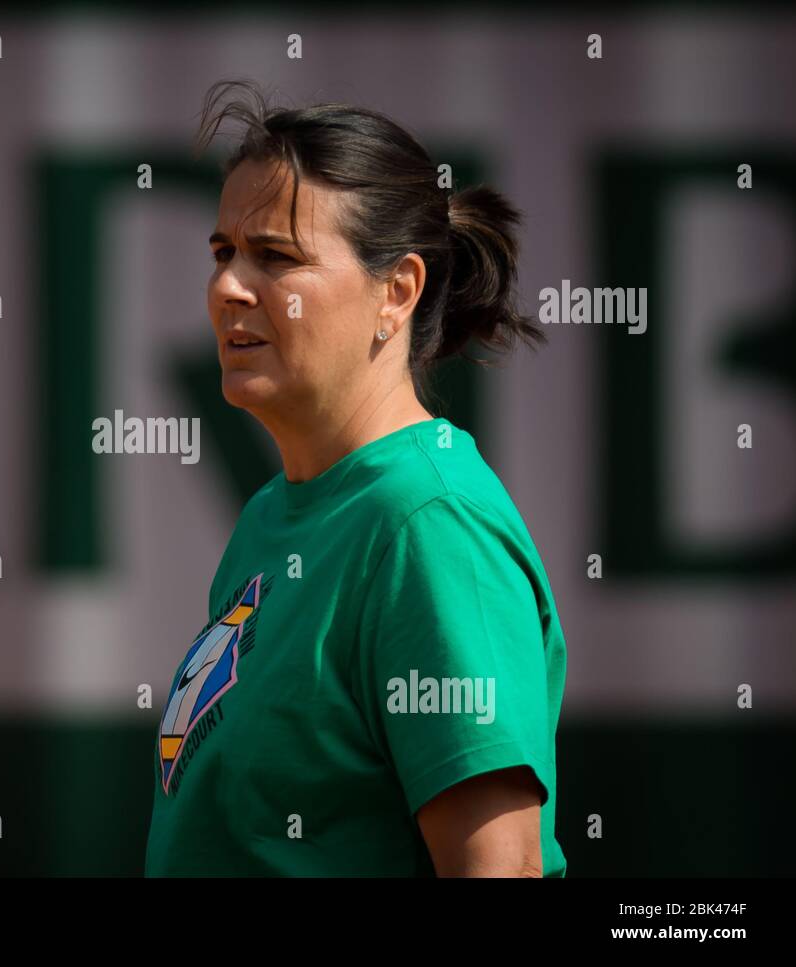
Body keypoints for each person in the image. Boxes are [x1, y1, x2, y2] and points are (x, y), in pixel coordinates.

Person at [144, 80, 567, 876]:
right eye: (222, 251)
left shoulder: (430, 526)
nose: (230, 286)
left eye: (275, 256)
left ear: (397, 290)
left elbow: (499, 870)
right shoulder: (272, 517)